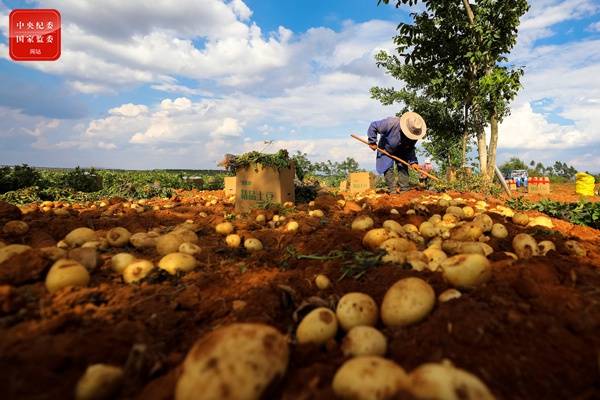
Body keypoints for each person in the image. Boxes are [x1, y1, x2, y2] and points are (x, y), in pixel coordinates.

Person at [367, 112, 427, 192]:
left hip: (402, 150)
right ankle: (392, 190)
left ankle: (404, 189)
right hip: (386, 148)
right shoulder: (390, 123)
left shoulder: (415, 133)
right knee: (387, 168)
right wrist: (372, 141)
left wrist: (413, 162)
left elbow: (410, 148)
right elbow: (373, 126)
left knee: (403, 167)